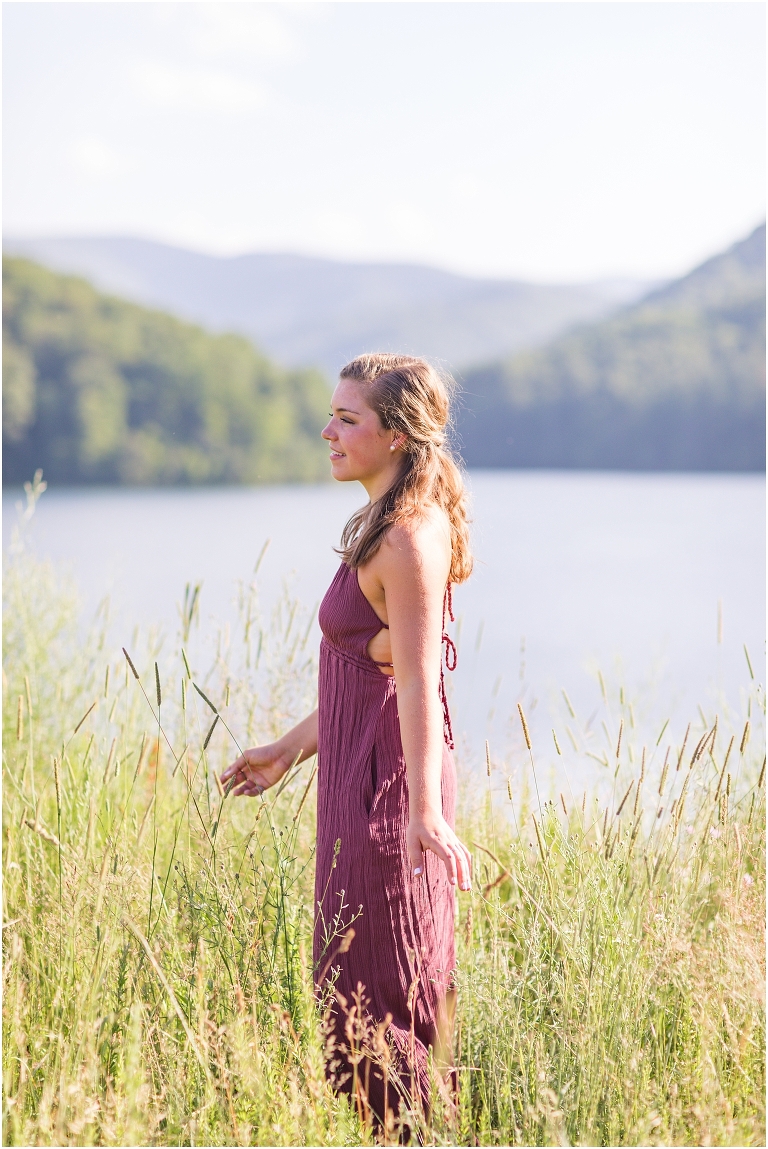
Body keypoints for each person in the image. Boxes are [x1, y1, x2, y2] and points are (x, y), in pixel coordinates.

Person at [220, 353, 473, 1129]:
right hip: (360, 774)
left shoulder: (406, 539)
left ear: (396, 433)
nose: (327, 430)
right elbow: (368, 678)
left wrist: (424, 811)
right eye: (330, 413)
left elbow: (421, 680)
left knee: (382, 997)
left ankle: (415, 1135)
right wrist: (290, 748)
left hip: (388, 790)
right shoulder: (386, 522)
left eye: (347, 418)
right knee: (354, 988)